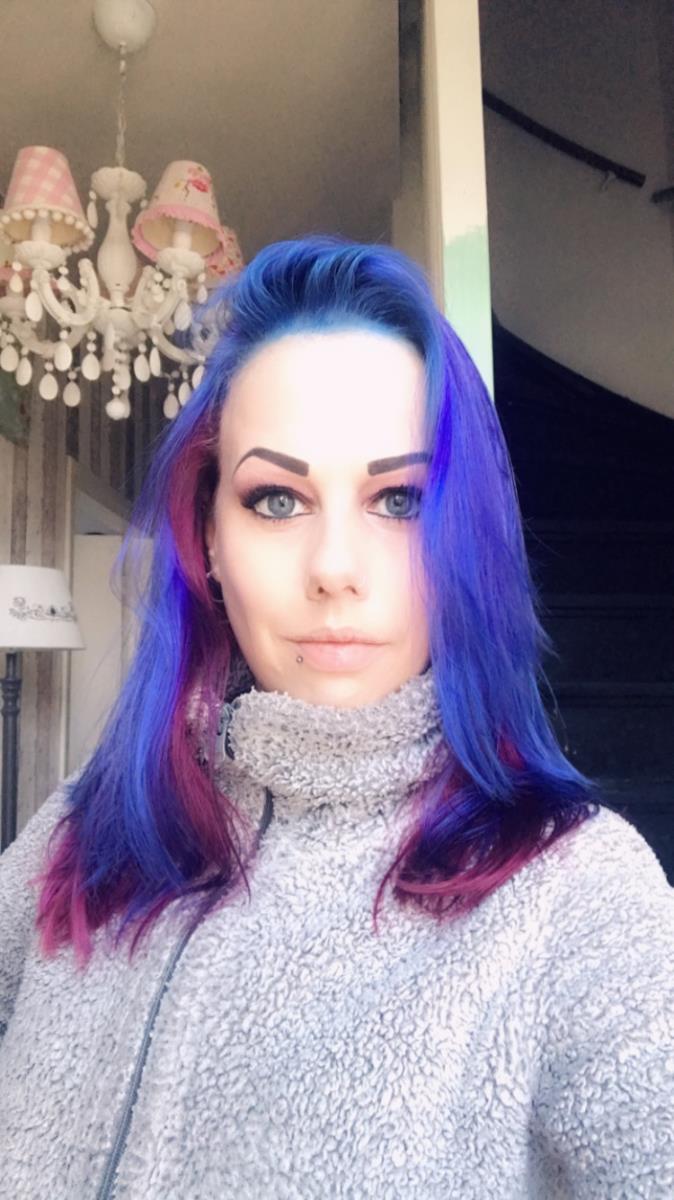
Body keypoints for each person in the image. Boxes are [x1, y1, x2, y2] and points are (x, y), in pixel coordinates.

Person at [1, 235, 673, 1199]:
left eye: (398, 500)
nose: (334, 568)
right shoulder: (78, 833)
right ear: (210, 538)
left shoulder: (577, 894)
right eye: (277, 499)